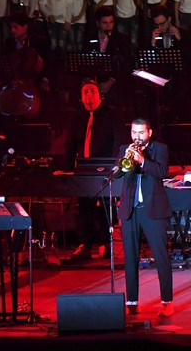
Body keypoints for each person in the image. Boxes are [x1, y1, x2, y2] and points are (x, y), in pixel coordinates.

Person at [116, 117, 175, 317]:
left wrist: (142, 160)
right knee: (130, 257)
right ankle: (132, 301)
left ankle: (167, 301)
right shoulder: (125, 148)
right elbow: (117, 175)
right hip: (130, 210)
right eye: (134, 132)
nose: (137, 137)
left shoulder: (159, 148)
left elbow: (162, 171)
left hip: (153, 210)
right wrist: (127, 160)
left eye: (141, 133)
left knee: (161, 257)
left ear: (149, 133)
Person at [64, 79, 125, 261]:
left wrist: (116, 166)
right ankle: (85, 245)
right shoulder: (77, 118)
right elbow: (70, 145)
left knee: (105, 207)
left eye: (92, 91)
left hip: (105, 168)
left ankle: (105, 244)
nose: (89, 95)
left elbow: (119, 141)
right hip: (83, 169)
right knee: (84, 207)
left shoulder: (112, 115)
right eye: (85, 92)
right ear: (81, 98)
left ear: (100, 95)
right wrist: (67, 170)